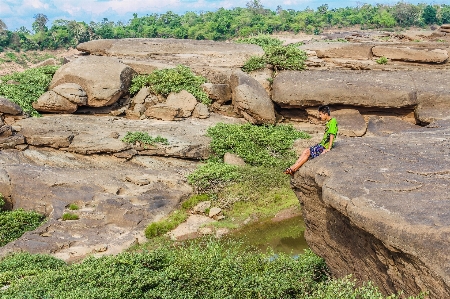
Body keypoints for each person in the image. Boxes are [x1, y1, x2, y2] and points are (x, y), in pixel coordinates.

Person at [284, 105, 338, 175]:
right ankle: (292, 168)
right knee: (306, 151)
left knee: (307, 153)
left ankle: (293, 169)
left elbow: (332, 135)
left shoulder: (333, 121)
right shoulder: (329, 122)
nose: (320, 116)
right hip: (322, 145)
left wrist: (329, 148)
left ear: (326, 114)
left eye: (320, 114)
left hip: (324, 146)